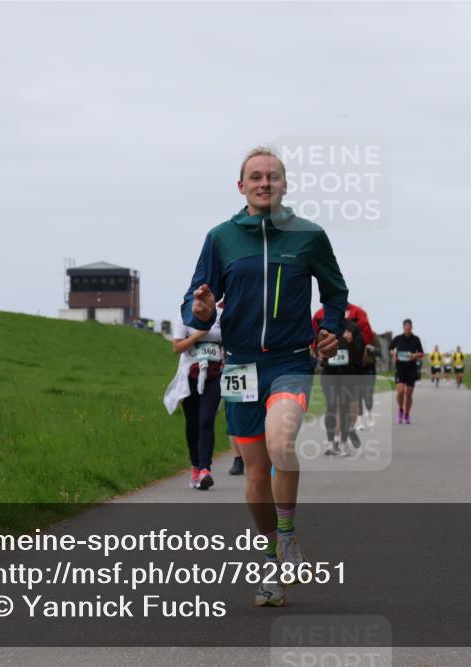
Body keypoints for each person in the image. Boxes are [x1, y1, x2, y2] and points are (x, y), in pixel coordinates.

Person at [182, 146, 348, 607]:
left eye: (272, 176)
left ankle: (289, 536)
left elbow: (335, 293)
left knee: (281, 442)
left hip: (291, 360)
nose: (264, 183)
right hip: (240, 365)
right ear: (241, 186)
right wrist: (198, 309)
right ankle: (274, 561)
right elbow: (193, 301)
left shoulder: (309, 237)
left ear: (284, 185)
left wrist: (331, 329)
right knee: (254, 476)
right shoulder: (220, 238)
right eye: (255, 177)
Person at [164, 306, 224, 490]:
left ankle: (205, 469)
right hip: (190, 375)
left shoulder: (221, 314)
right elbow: (177, 347)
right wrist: (199, 335)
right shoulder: (185, 315)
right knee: (193, 424)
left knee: (206, 420)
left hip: (214, 375)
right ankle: (195, 466)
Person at [313, 303, 375, 431]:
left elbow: (366, 335)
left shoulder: (357, 313)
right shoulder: (319, 315)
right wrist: (317, 351)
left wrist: (354, 343)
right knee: (333, 404)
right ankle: (337, 440)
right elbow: (314, 334)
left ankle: (350, 427)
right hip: (330, 368)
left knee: (350, 402)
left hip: (351, 367)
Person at [313, 312, 365, 456]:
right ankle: (331, 444)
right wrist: (319, 352)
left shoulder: (352, 327)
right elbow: (316, 346)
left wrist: (352, 341)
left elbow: (361, 349)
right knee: (331, 406)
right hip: (329, 372)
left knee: (344, 407)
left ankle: (343, 442)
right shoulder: (325, 327)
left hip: (347, 373)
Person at [390, 319, 424, 424]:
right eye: (406, 325)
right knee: (400, 391)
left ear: (412, 327)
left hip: (411, 369)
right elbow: (391, 349)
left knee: (409, 394)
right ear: (403, 327)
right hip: (400, 368)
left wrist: (415, 355)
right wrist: (393, 354)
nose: (408, 327)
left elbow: (422, 353)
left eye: (409, 325)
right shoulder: (398, 338)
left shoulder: (416, 339)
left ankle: (407, 413)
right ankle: (400, 409)